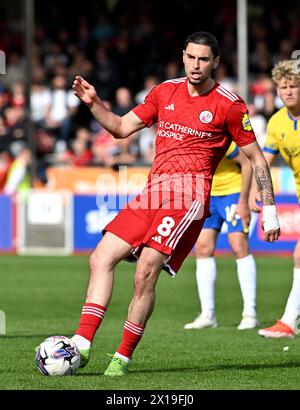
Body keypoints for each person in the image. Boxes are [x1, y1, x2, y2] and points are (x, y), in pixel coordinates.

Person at [71, 31, 280, 377]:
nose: (196, 65)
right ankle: (81, 342)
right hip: (153, 192)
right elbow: (121, 128)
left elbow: (257, 159)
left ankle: (121, 357)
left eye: (203, 59)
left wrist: (269, 211)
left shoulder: (229, 104)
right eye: (191, 57)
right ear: (182, 56)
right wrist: (94, 102)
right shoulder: (163, 92)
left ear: (215, 62)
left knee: (145, 271)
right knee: (100, 257)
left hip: (189, 197)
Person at [184, 141, 259, 331]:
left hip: (232, 193)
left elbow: (246, 162)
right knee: (202, 248)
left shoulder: (221, 140)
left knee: (239, 246)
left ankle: (250, 313)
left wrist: (243, 200)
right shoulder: (191, 138)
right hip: (206, 195)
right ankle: (207, 314)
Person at [250, 60, 300, 338]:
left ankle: (289, 321)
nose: (288, 91)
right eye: (283, 87)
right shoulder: (278, 122)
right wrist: (254, 191)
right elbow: (263, 161)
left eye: (294, 86)